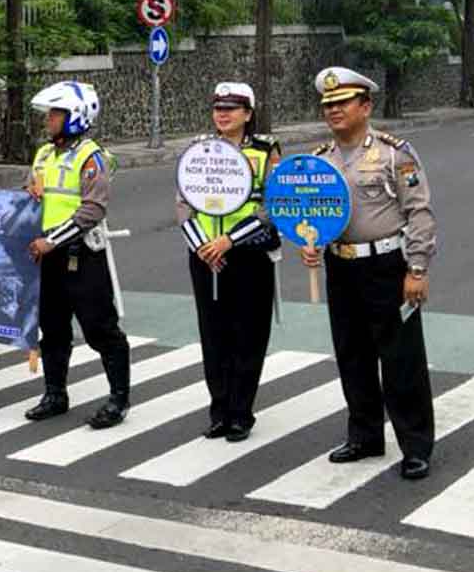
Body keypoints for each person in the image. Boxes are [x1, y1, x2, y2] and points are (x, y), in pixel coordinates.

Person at [302, 66, 437, 480]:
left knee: (401, 358)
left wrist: (417, 269)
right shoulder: (318, 162)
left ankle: (415, 445)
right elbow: (310, 214)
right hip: (341, 266)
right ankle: (364, 436)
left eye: (342, 103)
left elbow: (419, 213)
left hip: (387, 267)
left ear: (366, 105)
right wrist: (310, 242)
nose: (333, 111)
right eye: (328, 105)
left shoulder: (395, 153)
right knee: (352, 354)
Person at [23, 80, 133, 429]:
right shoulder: (43, 153)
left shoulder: (91, 156)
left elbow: (92, 210)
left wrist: (52, 240)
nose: (48, 119)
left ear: (74, 116)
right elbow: (34, 192)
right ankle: (55, 394)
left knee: (101, 328)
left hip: (80, 254)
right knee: (52, 328)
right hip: (47, 256)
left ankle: (118, 399)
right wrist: (29, 189)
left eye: (55, 113)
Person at [176, 83, 281, 442]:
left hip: (248, 255)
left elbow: (272, 207)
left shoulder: (266, 151)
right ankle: (219, 410)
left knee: (248, 335)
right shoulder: (198, 150)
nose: (223, 114)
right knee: (213, 334)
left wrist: (229, 241)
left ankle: (240, 412)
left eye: (232, 108)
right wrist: (203, 245)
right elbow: (182, 203)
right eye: (218, 107)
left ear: (248, 114)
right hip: (205, 255)